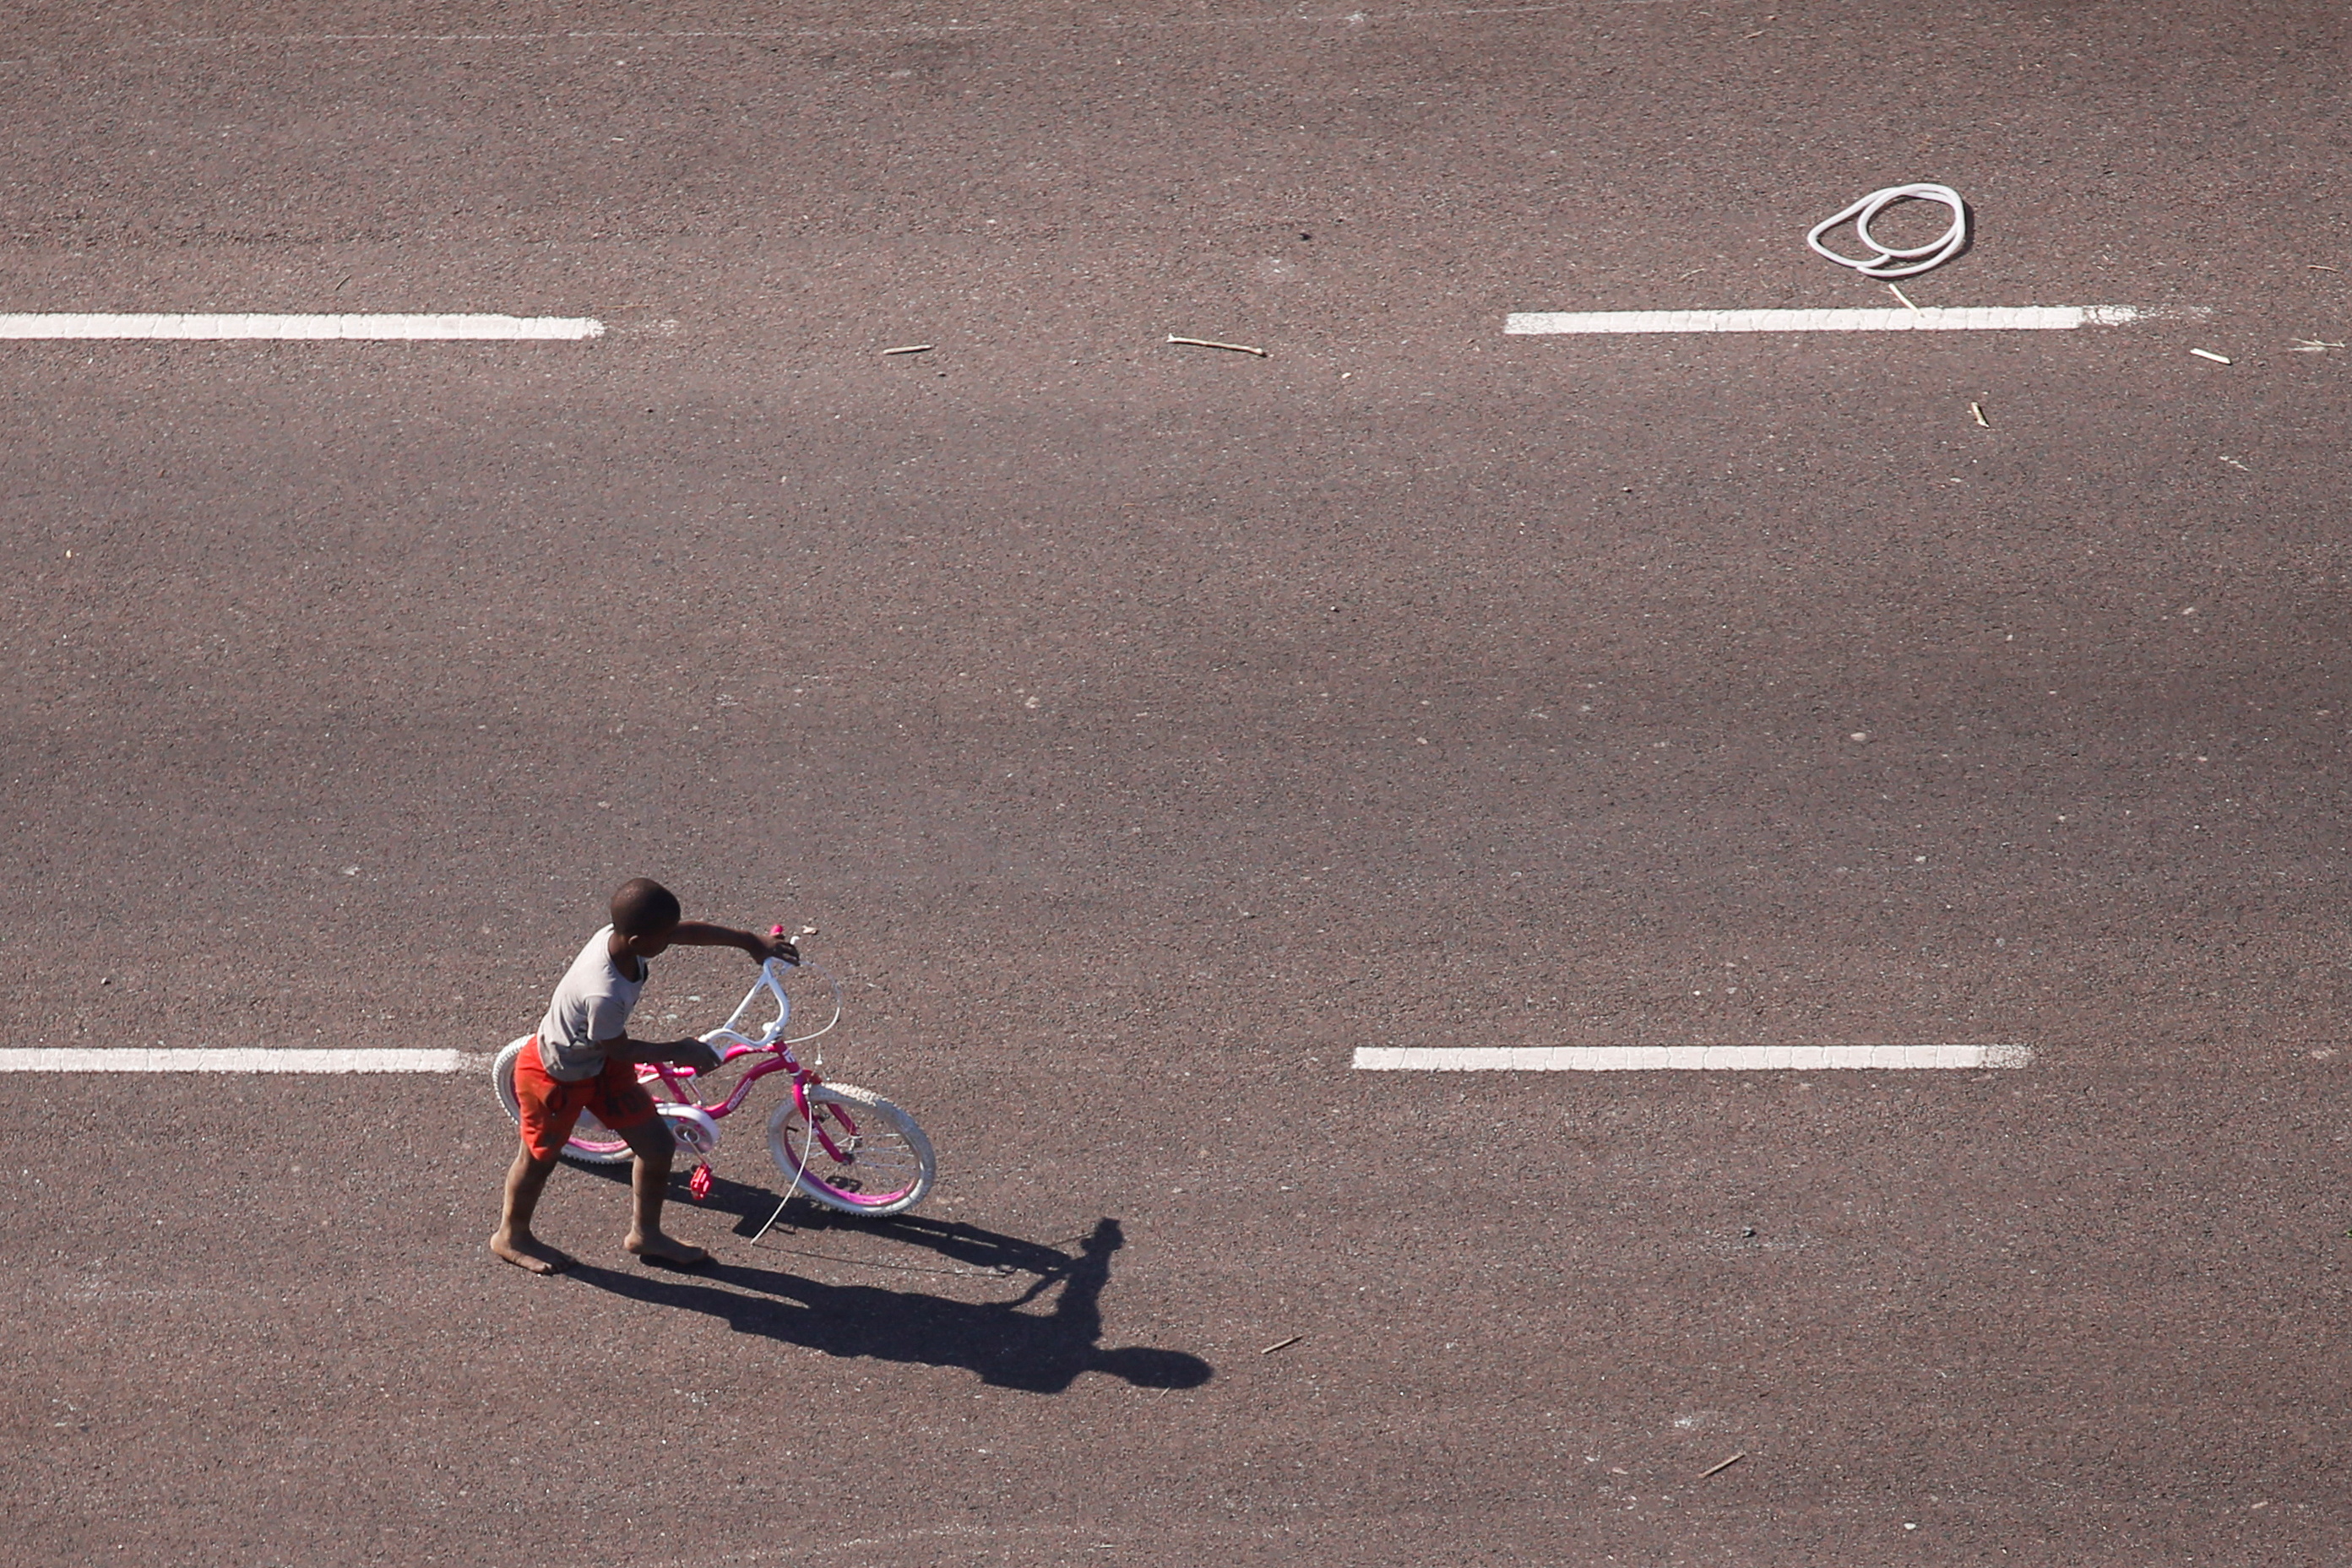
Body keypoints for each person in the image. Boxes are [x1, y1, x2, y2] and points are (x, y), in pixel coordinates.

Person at [491, 877, 797, 1274]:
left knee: (656, 1147)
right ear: (638, 941)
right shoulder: (604, 991)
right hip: (558, 1074)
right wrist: (679, 1049)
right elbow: (618, 1047)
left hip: (601, 1064)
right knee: (537, 1160)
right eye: (663, 937)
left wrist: (748, 941)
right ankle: (510, 1236)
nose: (670, 941)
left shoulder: (619, 938)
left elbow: (682, 932)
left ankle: (645, 1235)